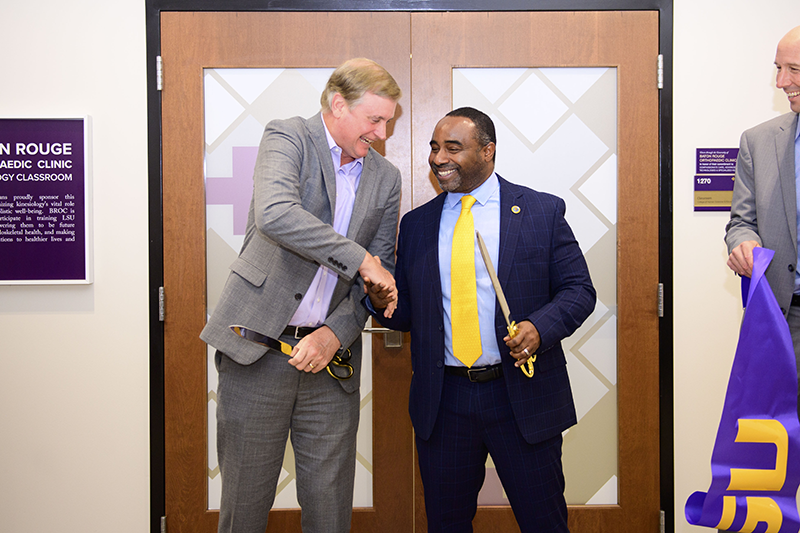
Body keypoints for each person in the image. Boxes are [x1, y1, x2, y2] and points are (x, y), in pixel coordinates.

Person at [364, 107, 596, 532]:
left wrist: (539, 329)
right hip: (444, 402)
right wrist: (382, 301)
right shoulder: (417, 225)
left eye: (453, 147)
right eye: (435, 147)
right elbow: (407, 315)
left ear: (488, 151)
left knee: (543, 522)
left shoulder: (541, 212)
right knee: (447, 524)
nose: (438, 158)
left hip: (521, 398)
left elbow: (579, 291)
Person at [200, 58, 402, 533]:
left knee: (330, 513)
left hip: (329, 365)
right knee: (243, 509)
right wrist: (359, 258)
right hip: (257, 350)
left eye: (388, 121)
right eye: (374, 119)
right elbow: (277, 214)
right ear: (338, 104)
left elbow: (380, 273)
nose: (382, 131)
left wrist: (336, 333)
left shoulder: (386, 178)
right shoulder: (288, 136)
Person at [725, 25, 800, 406]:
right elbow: (740, 222)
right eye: (778, 68)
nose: (781, 81)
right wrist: (744, 243)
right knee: (784, 444)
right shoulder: (758, 141)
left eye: (794, 70)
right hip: (785, 322)